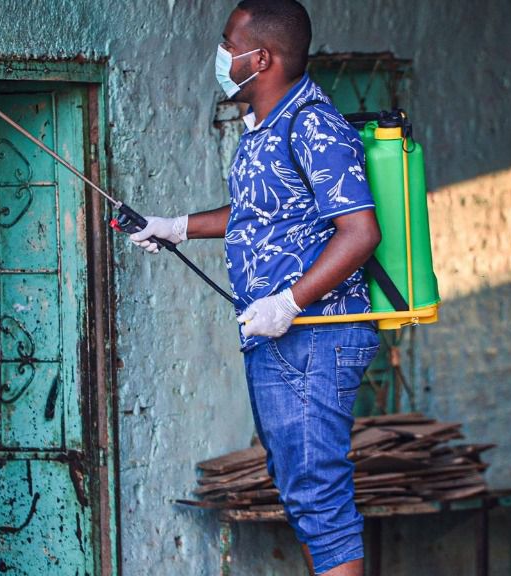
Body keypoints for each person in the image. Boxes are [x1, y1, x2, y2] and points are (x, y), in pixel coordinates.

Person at [130, 1, 380, 574]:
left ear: (259, 57)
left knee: (318, 495)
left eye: (227, 42)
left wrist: (290, 303)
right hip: (280, 336)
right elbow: (256, 215)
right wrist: (174, 228)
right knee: (299, 488)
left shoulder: (312, 123)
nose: (220, 56)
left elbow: (360, 231)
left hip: (315, 336)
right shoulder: (266, 127)